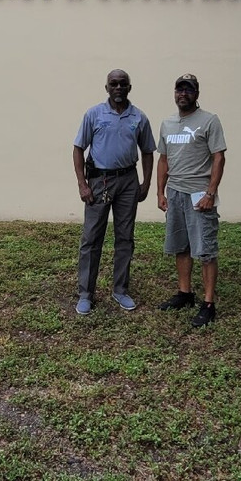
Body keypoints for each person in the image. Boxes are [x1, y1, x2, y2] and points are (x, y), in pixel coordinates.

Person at [73, 69, 156, 315]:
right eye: (113, 84)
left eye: (123, 84)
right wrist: (82, 184)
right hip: (99, 181)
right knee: (91, 238)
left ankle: (120, 290)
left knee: (125, 238)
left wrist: (146, 183)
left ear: (129, 87)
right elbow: (78, 148)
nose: (118, 88)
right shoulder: (94, 114)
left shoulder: (138, 117)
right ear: (106, 88)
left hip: (128, 180)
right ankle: (86, 293)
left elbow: (148, 151)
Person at [156, 73, 227, 327]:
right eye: (179, 89)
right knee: (180, 246)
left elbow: (218, 158)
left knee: (205, 250)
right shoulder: (167, 123)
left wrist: (210, 193)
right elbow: (163, 160)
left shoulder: (209, 121)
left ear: (196, 94)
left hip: (199, 195)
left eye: (188, 89)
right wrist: (160, 192)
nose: (183, 93)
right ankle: (185, 293)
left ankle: (208, 303)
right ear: (174, 92)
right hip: (175, 193)